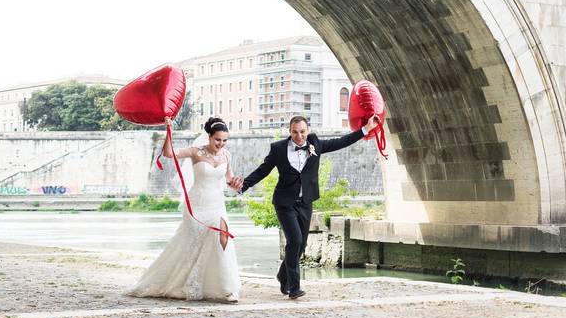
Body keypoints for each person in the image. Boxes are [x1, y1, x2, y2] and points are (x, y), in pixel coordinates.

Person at [234, 114, 380, 300]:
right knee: (294, 240)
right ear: (290, 131)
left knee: (301, 245)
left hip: (305, 203)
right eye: (295, 132)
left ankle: (282, 275)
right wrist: (243, 185)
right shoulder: (278, 149)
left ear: (307, 130)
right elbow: (263, 170)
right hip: (284, 203)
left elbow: (342, 142)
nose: (299, 136)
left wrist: (366, 129)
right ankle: (294, 287)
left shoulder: (315, 145)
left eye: (302, 132)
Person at [128, 117, 244, 303]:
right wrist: (169, 130)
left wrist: (236, 185)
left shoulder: (226, 155)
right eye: (217, 140)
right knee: (193, 245)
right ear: (209, 137)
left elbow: (230, 181)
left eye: (224, 140)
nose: (221, 144)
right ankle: (185, 282)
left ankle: (225, 288)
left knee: (223, 237)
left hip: (217, 204)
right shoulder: (195, 152)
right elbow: (168, 154)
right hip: (197, 204)